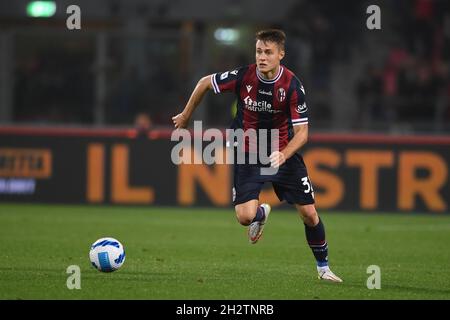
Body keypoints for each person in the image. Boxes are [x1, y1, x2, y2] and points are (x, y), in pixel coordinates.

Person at [172, 29, 342, 282]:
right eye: (259, 51)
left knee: (308, 213)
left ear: (281, 55)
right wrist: (186, 115)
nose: (262, 57)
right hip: (248, 151)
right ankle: (261, 214)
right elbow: (205, 82)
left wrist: (284, 155)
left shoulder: (292, 86)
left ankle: (324, 268)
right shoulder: (244, 76)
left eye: (268, 52)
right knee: (244, 217)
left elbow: (303, 133)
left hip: (281, 152)